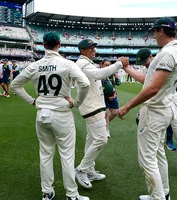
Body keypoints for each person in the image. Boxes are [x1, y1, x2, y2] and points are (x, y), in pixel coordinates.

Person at [11, 32, 90, 200]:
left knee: (45, 154)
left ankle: (47, 192)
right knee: (67, 156)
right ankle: (72, 195)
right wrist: (76, 103)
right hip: (61, 113)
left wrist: (33, 101)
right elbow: (85, 83)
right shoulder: (67, 64)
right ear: (59, 44)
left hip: (42, 114)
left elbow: (15, 85)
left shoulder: (35, 65)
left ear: (44, 45)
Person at [118, 17, 177, 200]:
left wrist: (127, 106)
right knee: (158, 155)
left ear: (161, 31)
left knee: (147, 160)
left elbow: (153, 88)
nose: (154, 36)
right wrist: (127, 69)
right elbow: (148, 80)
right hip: (164, 107)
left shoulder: (166, 53)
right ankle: (162, 194)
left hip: (155, 111)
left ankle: (158, 197)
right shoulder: (176, 50)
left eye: (155, 32)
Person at [74, 39, 129, 189]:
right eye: (89, 47)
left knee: (91, 140)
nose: (93, 49)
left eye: (94, 47)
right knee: (102, 139)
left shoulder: (86, 63)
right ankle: (81, 169)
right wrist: (119, 64)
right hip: (92, 108)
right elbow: (99, 74)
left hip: (94, 106)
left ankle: (90, 171)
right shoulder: (82, 64)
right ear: (82, 50)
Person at [135, 47, 177, 183]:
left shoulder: (165, 60)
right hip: (160, 103)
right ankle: (158, 169)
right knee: (158, 136)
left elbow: (151, 84)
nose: (146, 65)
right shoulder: (154, 66)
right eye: (143, 64)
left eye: (146, 62)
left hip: (172, 99)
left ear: (152, 56)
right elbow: (148, 87)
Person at [100, 59, 121, 138]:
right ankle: (106, 130)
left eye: (109, 65)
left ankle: (103, 124)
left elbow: (117, 84)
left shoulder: (112, 74)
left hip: (113, 96)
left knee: (115, 112)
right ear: (101, 65)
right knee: (105, 114)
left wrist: (117, 78)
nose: (107, 66)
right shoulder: (99, 74)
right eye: (105, 65)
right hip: (104, 97)